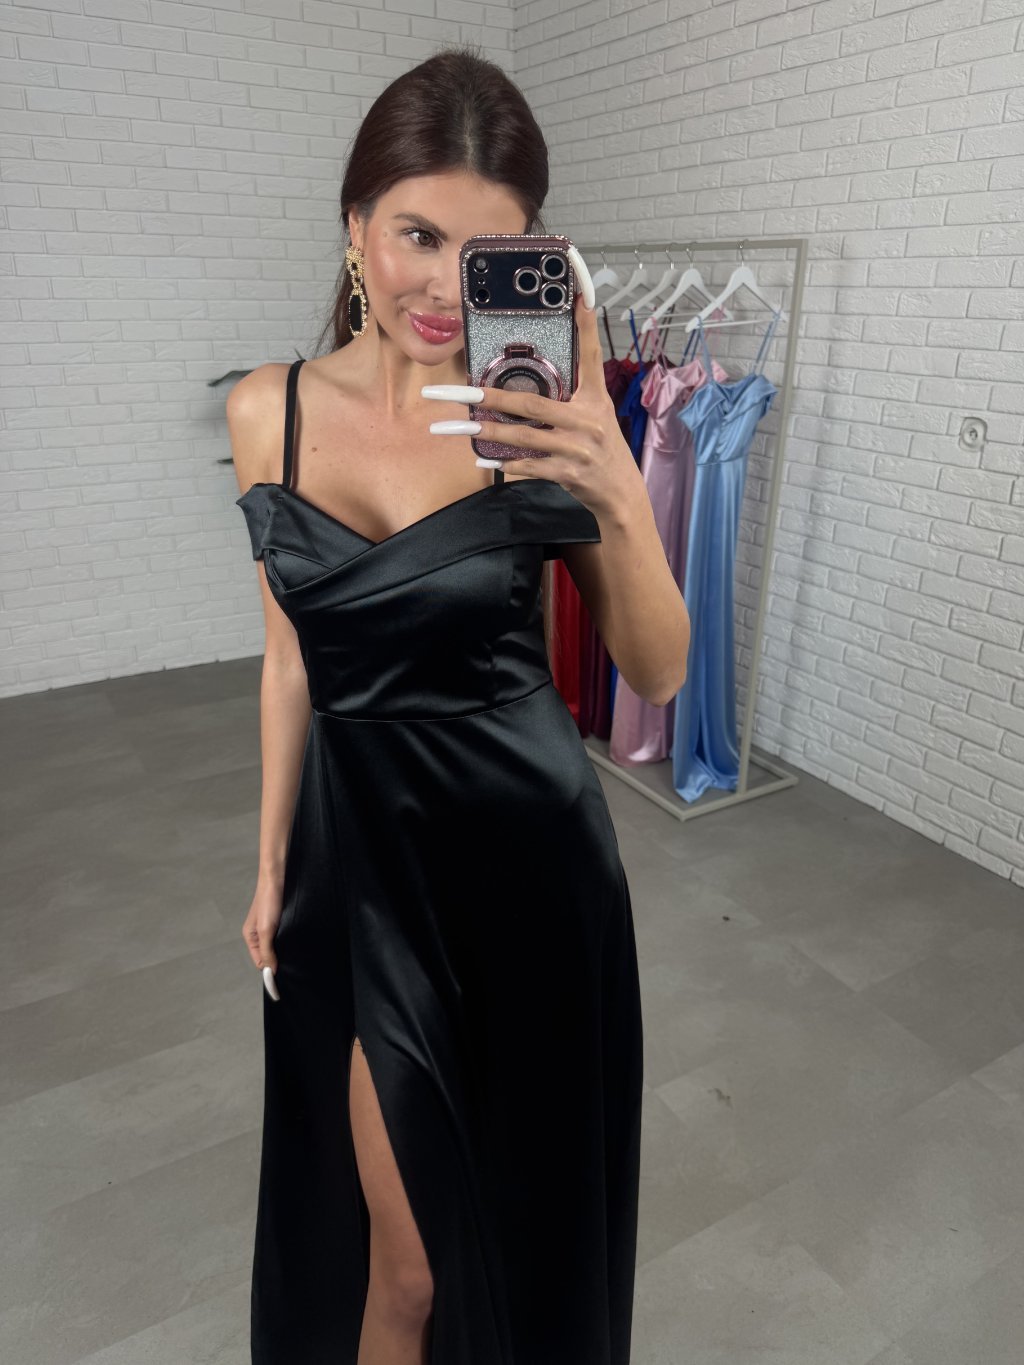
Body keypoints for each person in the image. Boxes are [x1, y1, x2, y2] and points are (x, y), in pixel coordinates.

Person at [227, 42, 689, 1365]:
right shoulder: (271, 413)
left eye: (485, 251)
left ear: (529, 259)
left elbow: (656, 668)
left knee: (510, 1224)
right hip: (357, 865)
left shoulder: (529, 418)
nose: (441, 285)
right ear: (356, 227)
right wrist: (270, 861)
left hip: (529, 863)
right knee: (403, 1260)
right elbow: (291, 657)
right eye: (417, 234)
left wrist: (611, 476)